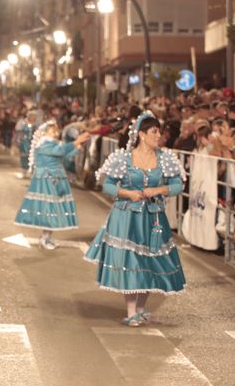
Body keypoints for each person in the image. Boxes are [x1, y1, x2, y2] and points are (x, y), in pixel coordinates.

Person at [84, 112, 187, 326]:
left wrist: (159, 189)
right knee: (132, 261)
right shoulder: (124, 158)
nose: (158, 135)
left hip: (153, 218)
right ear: (141, 134)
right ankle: (131, 312)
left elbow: (179, 185)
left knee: (150, 262)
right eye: (154, 131)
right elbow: (108, 185)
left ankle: (140, 309)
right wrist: (128, 193)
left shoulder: (165, 158)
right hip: (126, 216)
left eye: (159, 131)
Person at [15, 120, 91, 248]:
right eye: (52, 131)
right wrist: (76, 142)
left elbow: (65, 156)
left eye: (56, 131)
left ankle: (47, 237)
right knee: (49, 210)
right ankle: (45, 238)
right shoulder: (44, 144)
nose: (55, 133)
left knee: (53, 210)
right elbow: (60, 151)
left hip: (56, 179)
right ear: (45, 133)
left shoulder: (53, 144)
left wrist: (79, 146)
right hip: (47, 180)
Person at [16, 109, 39, 178]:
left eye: (34, 116)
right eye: (32, 116)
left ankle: (31, 171)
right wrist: (19, 140)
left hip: (33, 142)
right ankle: (24, 170)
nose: (33, 117)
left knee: (32, 156)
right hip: (24, 142)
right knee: (24, 156)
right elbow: (19, 132)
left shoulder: (36, 124)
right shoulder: (22, 122)